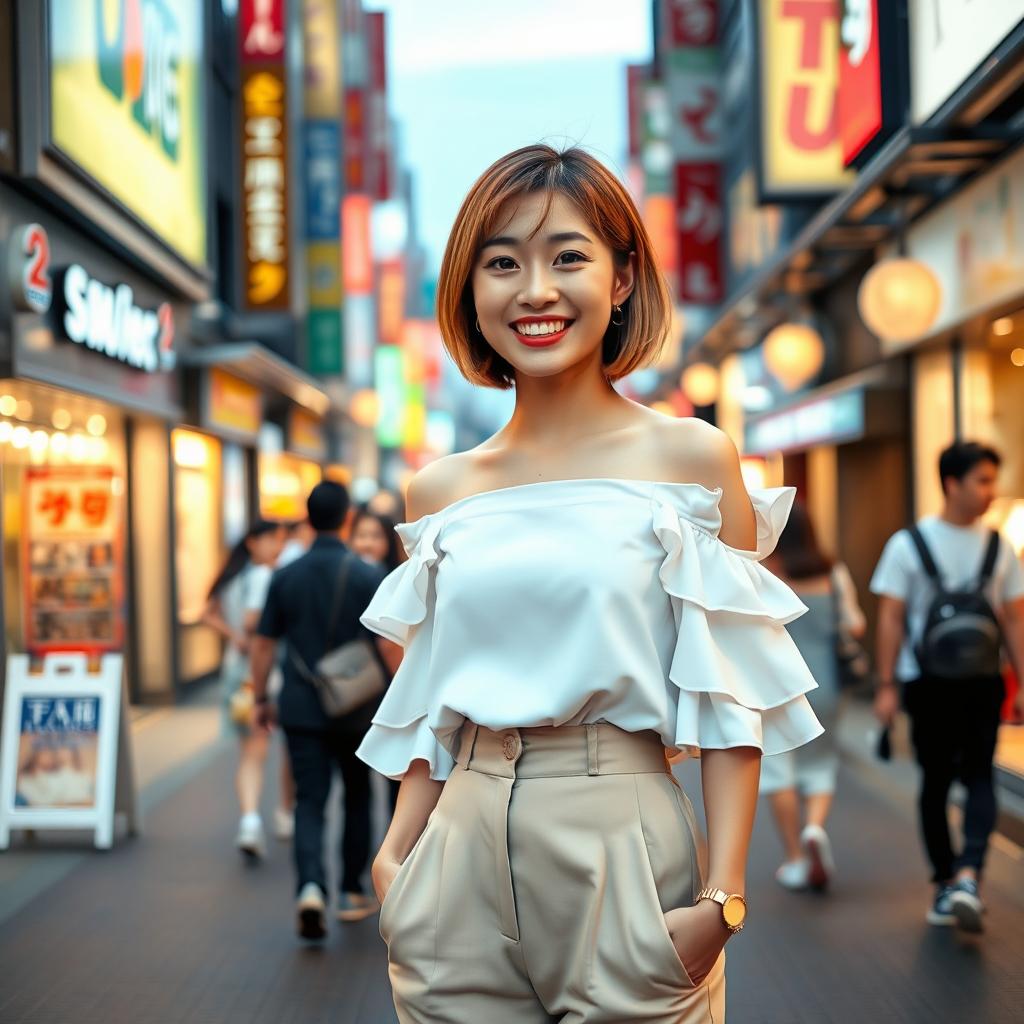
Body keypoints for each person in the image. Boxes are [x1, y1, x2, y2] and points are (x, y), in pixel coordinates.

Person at [357, 145, 822, 1023]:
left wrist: (723, 900)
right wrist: (395, 861)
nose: (534, 290)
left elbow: (730, 697)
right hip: (454, 848)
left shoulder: (689, 458)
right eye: (503, 263)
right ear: (470, 290)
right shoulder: (439, 489)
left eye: (567, 256)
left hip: (624, 835)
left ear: (621, 280)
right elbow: (430, 698)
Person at [872, 440, 1024, 933]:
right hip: (928, 684)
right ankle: (951, 880)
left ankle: (963, 877)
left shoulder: (1000, 546)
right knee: (942, 780)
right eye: (981, 480)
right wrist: (887, 685)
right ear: (951, 483)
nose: (989, 492)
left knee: (971, 775)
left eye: (991, 481)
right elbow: (890, 618)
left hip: (980, 682)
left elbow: (1018, 621)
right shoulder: (909, 543)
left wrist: (1021, 681)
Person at [249, 481, 387, 940]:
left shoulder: (285, 576)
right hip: (357, 705)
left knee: (309, 800)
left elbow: (264, 643)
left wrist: (260, 698)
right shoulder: (367, 575)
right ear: (347, 518)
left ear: (307, 519)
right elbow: (388, 645)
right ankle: (350, 890)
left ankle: (310, 886)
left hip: (301, 706)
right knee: (357, 794)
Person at [760, 501, 866, 891]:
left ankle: (794, 857)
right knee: (820, 763)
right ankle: (815, 829)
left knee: (777, 769)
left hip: (776, 686)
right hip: (827, 687)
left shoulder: (764, 573)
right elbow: (854, 625)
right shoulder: (833, 573)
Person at [202, 519, 286, 859]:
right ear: (253, 542)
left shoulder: (232, 575)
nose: (277, 547)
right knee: (259, 749)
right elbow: (253, 620)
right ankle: (260, 820)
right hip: (259, 676)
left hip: (233, 675)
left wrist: (233, 636)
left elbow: (208, 613)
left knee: (248, 751)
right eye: (271, 540)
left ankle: (251, 818)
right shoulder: (263, 575)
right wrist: (247, 632)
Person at [350, 507, 406, 809]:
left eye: (374, 536)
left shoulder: (399, 580)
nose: (366, 543)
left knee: (394, 778)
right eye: (360, 535)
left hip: (388, 690)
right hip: (360, 690)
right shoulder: (350, 576)